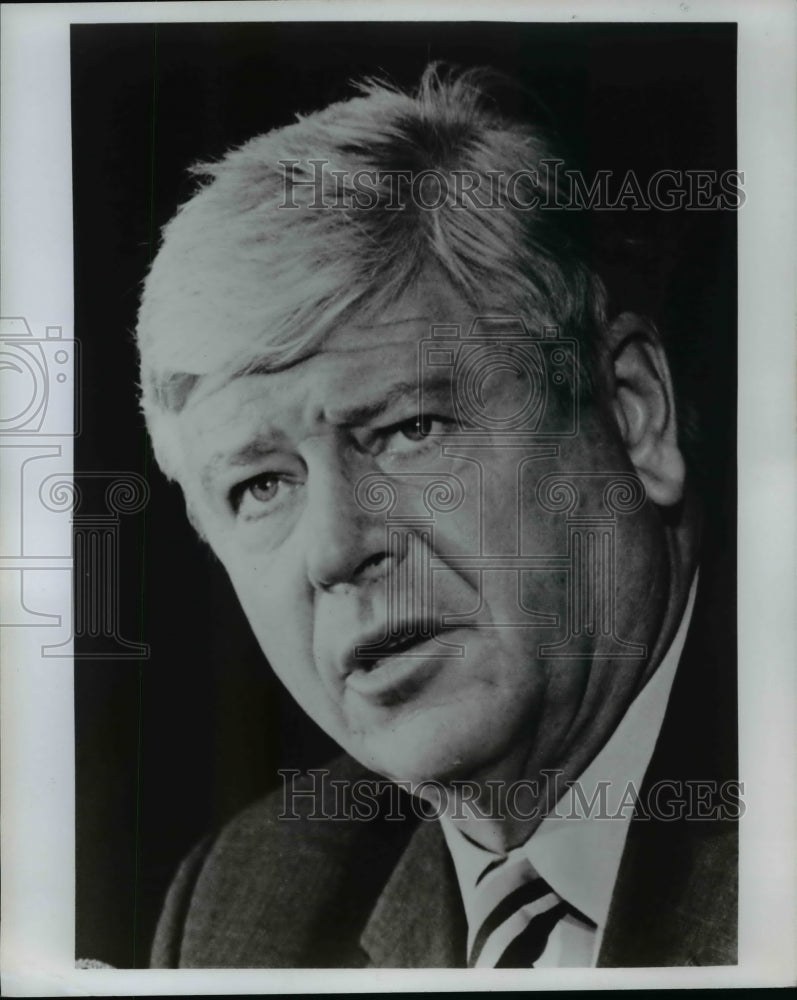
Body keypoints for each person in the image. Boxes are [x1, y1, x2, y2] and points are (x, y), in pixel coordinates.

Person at [136, 65, 737, 968]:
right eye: (260, 486)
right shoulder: (248, 906)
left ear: (631, 411)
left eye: (410, 430)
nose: (337, 548)